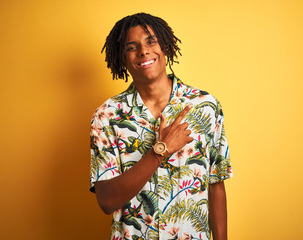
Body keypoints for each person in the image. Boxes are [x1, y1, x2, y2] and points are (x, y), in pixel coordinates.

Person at [89, 13, 232, 240]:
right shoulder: (107, 116)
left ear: (164, 46)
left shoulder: (205, 106)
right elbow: (106, 201)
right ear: (122, 58)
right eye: (131, 47)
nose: (143, 51)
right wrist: (160, 151)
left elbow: (215, 185)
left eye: (150, 41)